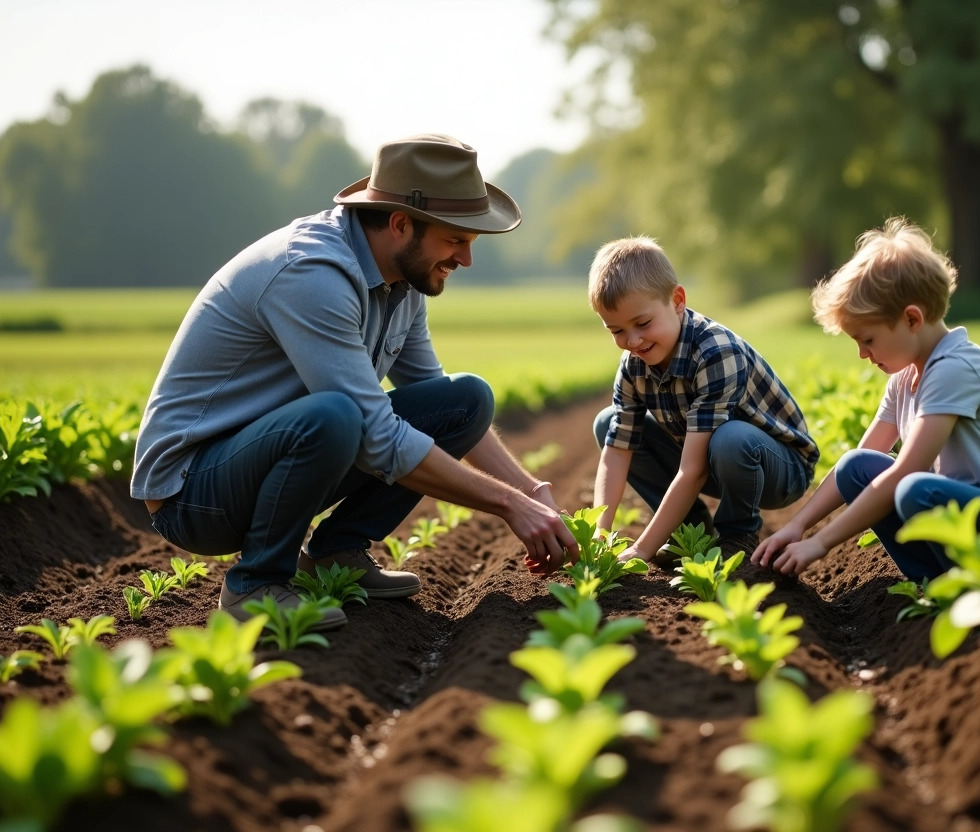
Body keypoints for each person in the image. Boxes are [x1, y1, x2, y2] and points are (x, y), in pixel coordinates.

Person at [131, 133, 578, 630]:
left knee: (465, 399)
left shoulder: (402, 282)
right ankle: (253, 585)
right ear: (400, 224)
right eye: (456, 240)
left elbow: (441, 411)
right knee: (338, 415)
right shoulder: (312, 273)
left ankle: (337, 553)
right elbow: (377, 433)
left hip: (268, 458)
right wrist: (508, 505)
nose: (466, 259)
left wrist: (531, 492)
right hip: (193, 493)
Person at [752, 218, 980, 581]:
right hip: (971, 510)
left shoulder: (954, 369)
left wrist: (822, 543)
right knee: (856, 467)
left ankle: (970, 587)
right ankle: (936, 581)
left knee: (913, 489)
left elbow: (907, 470)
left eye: (868, 339)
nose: (863, 354)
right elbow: (864, 456)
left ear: (912, 318)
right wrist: (798, 526)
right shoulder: (905, 376)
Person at [588, 236, 818, 563]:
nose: (633, 340)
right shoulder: (633, 365)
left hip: (778, 469)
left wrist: (641, 549)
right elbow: (618, 449)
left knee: (731, 438)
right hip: (714, 460)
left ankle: (738, 534)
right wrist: (599, 532)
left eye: (642, 323)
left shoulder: (715, 353)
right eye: (617, 331)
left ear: (677, 300)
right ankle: (692, 531)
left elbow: (692, 470)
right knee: (607, 423)